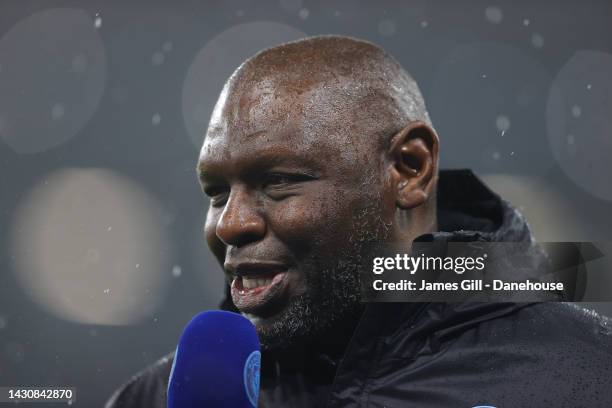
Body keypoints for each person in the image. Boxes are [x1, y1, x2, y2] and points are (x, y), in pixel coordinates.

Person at [106, 35, 612, 407]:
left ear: (409, 169)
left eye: (278, 180)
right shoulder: (159, 397)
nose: (229, 224)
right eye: (217, 193)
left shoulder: (583, 374)